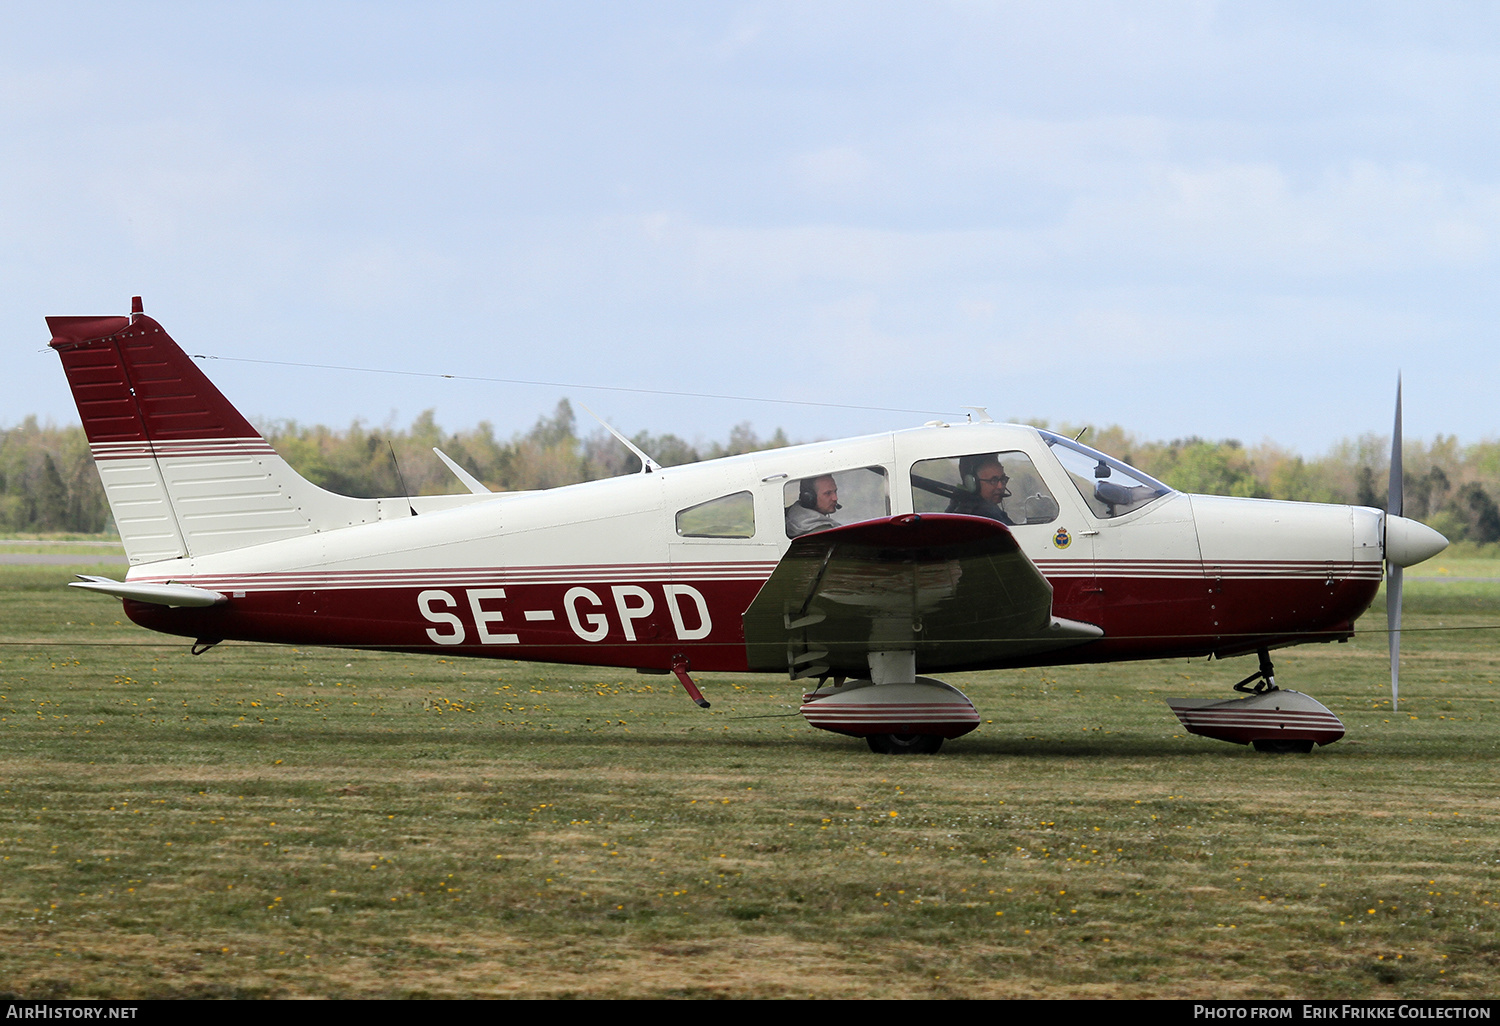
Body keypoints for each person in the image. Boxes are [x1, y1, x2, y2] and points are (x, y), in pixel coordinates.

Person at [946, 454, 1015, 525]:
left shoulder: (957, 505)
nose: (1000, 486)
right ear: (972, 483)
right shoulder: (985, 513)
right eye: (993, 480)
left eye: (1003, 479)